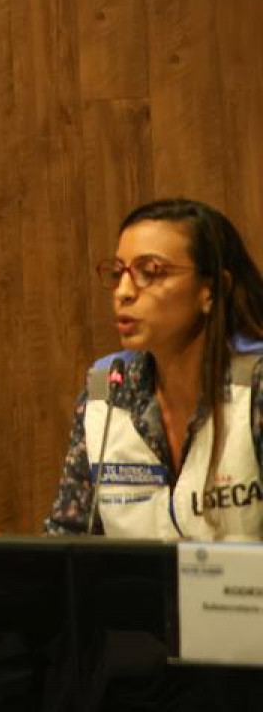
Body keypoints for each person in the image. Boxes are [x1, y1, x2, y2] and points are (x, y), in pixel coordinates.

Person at [45, 198, 263, 539]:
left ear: (211, 288)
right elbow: (68, 537)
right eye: (118, 274)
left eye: (151, 272)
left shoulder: (255, 384)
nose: (123, 292)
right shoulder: (107, 389)